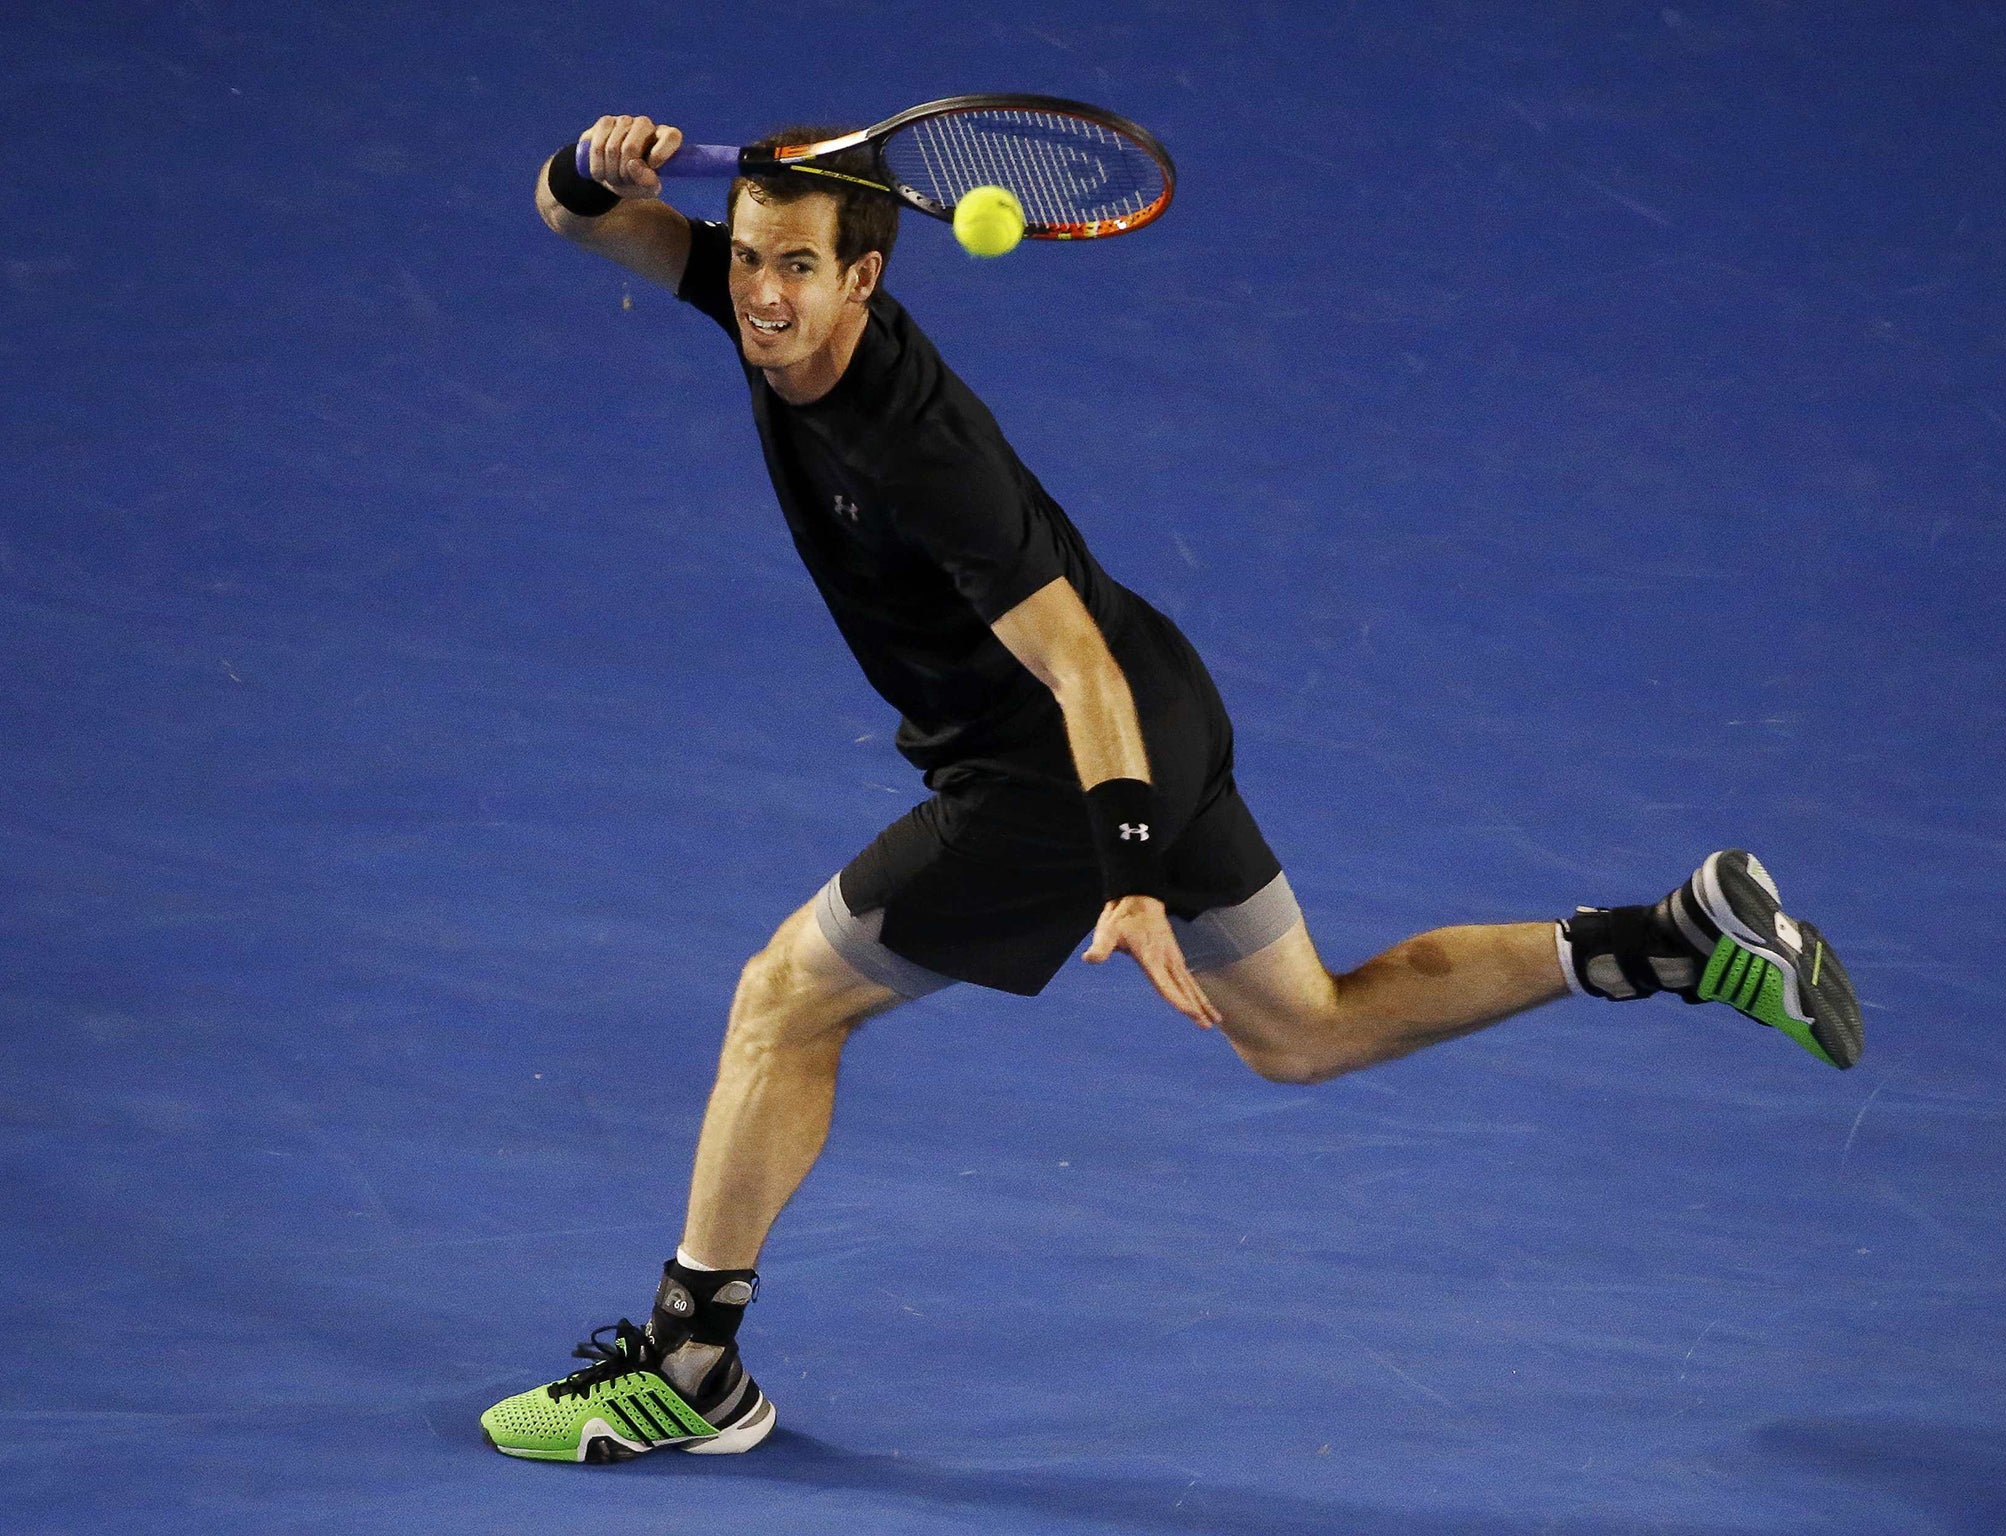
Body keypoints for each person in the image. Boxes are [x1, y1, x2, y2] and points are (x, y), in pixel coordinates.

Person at [481, 114, 1864, 1464]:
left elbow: (1078, 673)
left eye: (795, 270)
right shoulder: (762, 312)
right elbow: (578, 217)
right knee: (1304, 1031)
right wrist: (595, 160)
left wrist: (1128, 872)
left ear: (866, 278)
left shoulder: (923, 454)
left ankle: (688, 1368)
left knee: (783, 1003)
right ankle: (1670, 944)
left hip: (1064, 762)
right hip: (1172, 705)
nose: (762, 295)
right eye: (747, 260)